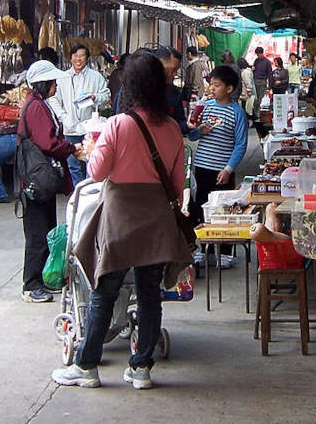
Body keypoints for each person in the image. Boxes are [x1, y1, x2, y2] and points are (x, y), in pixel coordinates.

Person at [51, 52, 192, 390]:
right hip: (157, 218)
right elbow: (177, 185)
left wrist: (93, 148)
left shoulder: (117, 125)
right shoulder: (172, 129)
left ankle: (87, 367)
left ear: (129, 86)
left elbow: (96, 173)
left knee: (104, 291)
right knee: (148, 293)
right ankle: (141, 369)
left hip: (119, 218)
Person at [18, 60, 81, 303]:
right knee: (36, 235)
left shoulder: (40, 104)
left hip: (41, 179)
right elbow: (48, 142)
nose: (56, 85)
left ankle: (43, 279)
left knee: (46, 230)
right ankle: (31, 284)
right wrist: (71, 148)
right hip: (35, 180)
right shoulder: (36, 107)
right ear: (43, 84)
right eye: (53, 82)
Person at [186, 66, 248, 227]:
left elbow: (240, 144)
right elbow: (191, 135)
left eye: (217, 85)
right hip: (201, 167)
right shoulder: (205, 106)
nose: (212, 88)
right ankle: (205, 249)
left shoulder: (237, 112)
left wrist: (228, 169)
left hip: (222, 171)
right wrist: (199, 130)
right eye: (211, 84)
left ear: (229, 88)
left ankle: (224, 250)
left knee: (222, 212)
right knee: (202, 209)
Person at [48, 44, 110, 187]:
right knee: (73, 166)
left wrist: (95, 97)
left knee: (91, 161)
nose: (78, 59)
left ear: (87, 59)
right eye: (75, 55)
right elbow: (53, 99)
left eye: (81, 55)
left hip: (89, 128)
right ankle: (77, 191)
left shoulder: (96, 77)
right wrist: (63, 116)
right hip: (70, 128)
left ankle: (89, 193)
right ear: (70, 58)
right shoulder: (62, 78)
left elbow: (106, 95)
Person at [154, 46, 188, 135]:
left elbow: (179, 121)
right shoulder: (136, 89)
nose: (174, 74)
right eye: (171, 70)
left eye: (176, 70)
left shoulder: (174, 93)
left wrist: (188, 125)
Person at [251, 46, 272, 120]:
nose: (257, 56)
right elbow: (253, 69)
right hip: (255, 80)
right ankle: (255, 112)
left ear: (261, 53)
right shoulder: (256, 61)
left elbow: (270, 74)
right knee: (255, 98)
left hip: (263, 81)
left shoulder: (267, 62)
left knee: (260, 97)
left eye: (258, 54)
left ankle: (258, 113)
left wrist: (269, 86)